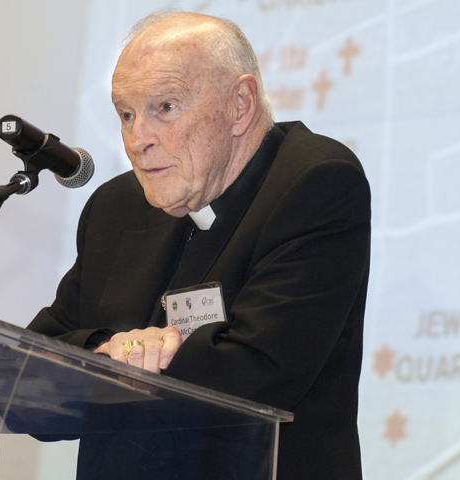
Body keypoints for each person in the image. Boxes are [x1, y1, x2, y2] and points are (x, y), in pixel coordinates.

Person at [28, 9, 370, 480]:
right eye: (126, 114)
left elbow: (257, 372)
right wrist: (112, 352)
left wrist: (125, 362)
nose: (137, 139)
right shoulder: (116, 207)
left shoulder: (314, 183)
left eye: (164, 108)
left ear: (240, 105)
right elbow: (27, 379)